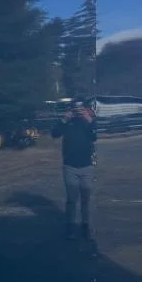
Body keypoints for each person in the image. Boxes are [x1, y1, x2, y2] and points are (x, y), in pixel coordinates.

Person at [51, 96, 97, 240]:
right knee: (71, 199)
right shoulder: (67, 122)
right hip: (70, 166)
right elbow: (54, 134)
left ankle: (85, 225)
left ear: (85, 108)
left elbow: (94, 137)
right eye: (75, 108)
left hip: (87, 166)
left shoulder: (89, 121)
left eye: (81, 108)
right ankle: (70, 225)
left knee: (85, 199)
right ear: (71, 109)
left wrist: (89, 121)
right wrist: (64, 119)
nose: (78, 110)